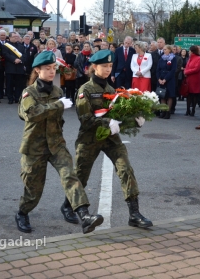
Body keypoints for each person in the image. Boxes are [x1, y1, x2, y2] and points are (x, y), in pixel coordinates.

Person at [16, 51, 103, 234]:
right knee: (34, 189)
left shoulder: (57, 91)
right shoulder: (28, 92)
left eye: (54, 68)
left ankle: (84, 216)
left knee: (70, 176)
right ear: (37, 70)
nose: (51, 71)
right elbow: (31, 114)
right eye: (47, 69)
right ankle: (22, 213)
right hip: (34, 147)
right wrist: (57, 105)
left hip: (56, 144)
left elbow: (57, 118)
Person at [74, 50, 153, 229]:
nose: (108, 69)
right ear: (94, 67)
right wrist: (107, 121)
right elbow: (85, 120)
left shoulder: (111, 90)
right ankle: (68, 205)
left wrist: (134, 120)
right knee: (80, 177)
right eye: (104, 66)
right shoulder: (85, 90)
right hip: (89, 139)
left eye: (110, 66)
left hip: (110, 139)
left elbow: (118, 117)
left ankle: (134, 214)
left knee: (126, 169)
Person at [156, 45, 177, 119]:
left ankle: (168, 112)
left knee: (169, 96)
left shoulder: (173, 58)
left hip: (169, 79)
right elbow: (157, 69)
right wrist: (159, 79)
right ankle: (163, 111)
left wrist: (165, 79)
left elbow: (173, 70)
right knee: (162, 96)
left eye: (165, 49)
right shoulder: (161, 58)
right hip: (161, 78)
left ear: (169, 50)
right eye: (163, 49)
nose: (164, 51)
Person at [184, 46, 200, 117]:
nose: (188, 52)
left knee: (194, 94)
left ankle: (193, 110)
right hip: (189, 78)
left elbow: (196, 69)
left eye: (189, 51)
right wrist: (185, 71)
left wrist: (187, 72)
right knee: (188, 94)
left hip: (195, 79)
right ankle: (188, 109)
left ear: (192, 51)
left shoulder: (199, 59)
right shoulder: (190, 58)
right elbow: (187, 66)